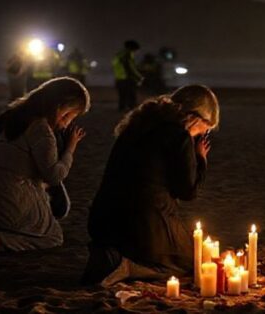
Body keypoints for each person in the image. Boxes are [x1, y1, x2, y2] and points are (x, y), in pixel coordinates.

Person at [83, 85, 218, 285]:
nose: (203, 134)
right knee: (194, 261)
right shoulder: (179, 135)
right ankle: (126, 266)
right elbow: (188, 191)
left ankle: (110, 255)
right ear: (196, 118)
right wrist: (201, 159)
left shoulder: (139, 124)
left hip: (104, 219)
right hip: (141, 224)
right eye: (206, 129)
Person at [0, 77, 90, 263]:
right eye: (68, 116)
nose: (66, 124)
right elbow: (54, 176)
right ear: (58, 106)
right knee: (53, 236)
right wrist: (70, 149)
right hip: (9, 200)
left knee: (44, 213)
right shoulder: (41, 129)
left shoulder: (9, 117)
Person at [112, 40, 143, 111]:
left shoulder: (119, 54)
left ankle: (121, 109)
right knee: (131, 95)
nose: (135, 52)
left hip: (119, 78)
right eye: (135, 49)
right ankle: (132, 110)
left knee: (122, 95)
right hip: (127, 79)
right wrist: (139, 77)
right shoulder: (127, 55)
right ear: (131, 48)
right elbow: (129, 68)